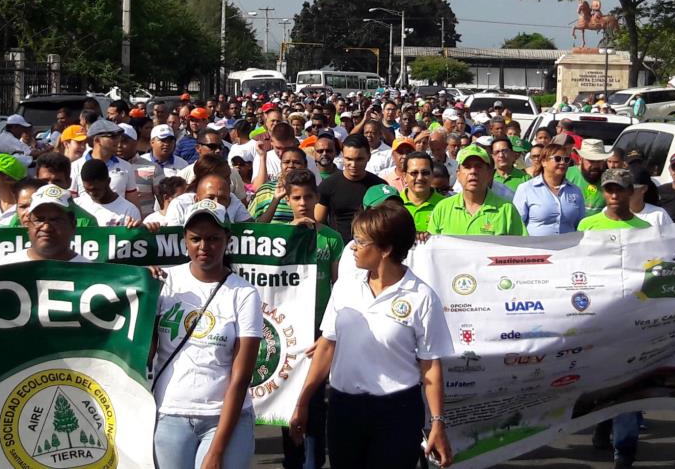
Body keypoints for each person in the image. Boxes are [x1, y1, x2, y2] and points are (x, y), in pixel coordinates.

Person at [289, 202, 454, 469]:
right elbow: (327, 346)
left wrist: (437, 423)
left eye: (360, 241)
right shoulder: (344, 287)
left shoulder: (422, 296)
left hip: (397, 412)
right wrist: (303, 401)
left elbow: (431, 366)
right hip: (344, 410)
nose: (352, 246)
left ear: (386, 249)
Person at [153, 199, 262, 469]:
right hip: (170, 414)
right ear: (185, 240)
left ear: (227, 239)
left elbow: (241, 376)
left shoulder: (244, 293)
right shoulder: (164, 284)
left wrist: (217, 450)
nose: (204, 247)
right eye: (196, 239)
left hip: (224, 419)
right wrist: (141, 289)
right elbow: (144, 350)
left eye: (213, 238)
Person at [577, 169, 650, 469]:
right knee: (602, 384)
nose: (614, 196)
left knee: (630, 388)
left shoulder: (646, 229)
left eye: (620, 189)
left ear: (630, 191)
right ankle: (602, 426)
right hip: (597, 319)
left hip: (633, 321)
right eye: (609, 190)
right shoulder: (587, 224)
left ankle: (625, 453)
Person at [277, 169, 343, 469]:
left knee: (314, 406)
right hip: (286, 330)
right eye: (296, 198)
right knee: (285, 406)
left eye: (307, 197)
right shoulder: (276, 239)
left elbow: (339, 287)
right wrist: (291, 235)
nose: (302, 203)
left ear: (316, 199)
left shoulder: (331, 238)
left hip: (318, 332)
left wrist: (329, 332)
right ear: (288, 200)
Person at [428, 145, 526, 236]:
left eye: (478, 166)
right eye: (467, 167)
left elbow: (522, 249)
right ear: (458, 174)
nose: (473, 171)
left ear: (489, 174)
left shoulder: (507, 210)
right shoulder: (442, 208)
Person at [0, 185, 91, 265]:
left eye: (55, 220)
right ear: (28, 224)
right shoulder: (4, 267)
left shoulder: (92, 273)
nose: (46, 227)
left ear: (73, 225)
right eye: (39, 220)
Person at [315, 135, 386, 243]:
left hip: (372, 247)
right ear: (343, 156)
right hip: (339, 249)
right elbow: (319, 221)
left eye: (359, 159)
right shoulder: (328, 185)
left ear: (369, 157)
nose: (353, 165)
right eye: (348, 159)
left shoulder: (380, 187)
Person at [512, 144, 585, 236]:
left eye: (566, 160)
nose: (562, 163)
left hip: (568, 248)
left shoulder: (575, 191)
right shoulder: (526, 189)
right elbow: (517, 225)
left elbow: (581, 224)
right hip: (536, 247)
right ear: (543, 162)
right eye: (557, 159)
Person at [70, 119, 140, 209]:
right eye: (112, 137)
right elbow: (71, 201)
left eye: (118, 136)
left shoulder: (126, 167)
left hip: (118, 221)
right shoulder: (75, 167)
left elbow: (133, 202)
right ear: (97, 140)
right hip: (87, 222)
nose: (118, 140)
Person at [179, 128, 247, 202]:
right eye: (212, 146)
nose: (218, 150)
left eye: (220, 147)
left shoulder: (232, 173)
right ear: (198, 148)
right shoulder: (184, 175)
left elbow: (242, 202)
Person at [74, 159, 142, 227]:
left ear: (108, 181)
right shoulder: (76, 206)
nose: (92, 193)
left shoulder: (129, 211)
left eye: (95, 189)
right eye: (87, 189)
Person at [118, 123, 165, 217]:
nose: (119, 145)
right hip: (117, 227)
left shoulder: (152, 168)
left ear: (135, 143)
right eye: (116, 141)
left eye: (124, 141)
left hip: (144, 227)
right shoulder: (108, 168)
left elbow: (164, 201)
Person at [249, 148, 308, 224]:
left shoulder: (312, 191)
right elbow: (253, 225)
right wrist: (276, 199)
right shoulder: (265, 190)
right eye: (286, 162)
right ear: (280, 165)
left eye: (297, 162)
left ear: (305, 165)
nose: (291, 165)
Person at [400, 151, 445, 235]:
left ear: (432, 175)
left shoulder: (445, 206)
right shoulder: (394, 204)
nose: (420, 178)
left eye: (425, 173)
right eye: (414, 173)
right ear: (404, 176)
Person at [566, 139, 610, 216]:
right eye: (591, 161)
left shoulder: (610, 179)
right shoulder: (567, 175)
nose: (595, 166)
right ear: (580, 159)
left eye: (599, 161)